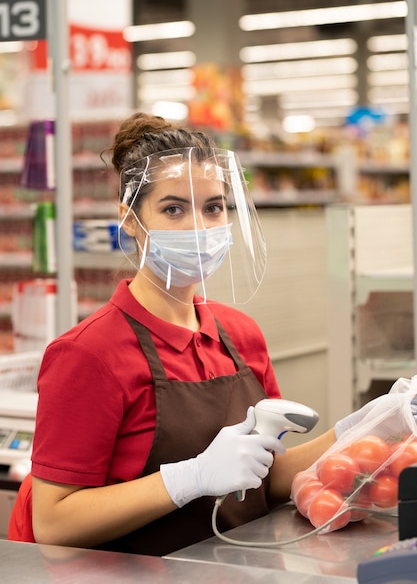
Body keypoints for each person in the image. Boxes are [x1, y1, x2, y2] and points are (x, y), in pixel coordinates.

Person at [5, 113, 374, 555]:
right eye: (173, 208)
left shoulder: (241, 334)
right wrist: (191, 477)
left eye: (213, 207)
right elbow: (53, 524)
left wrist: (364, 425)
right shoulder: (89, 354)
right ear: (129, 220)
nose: (198, 226)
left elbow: (269, 478)